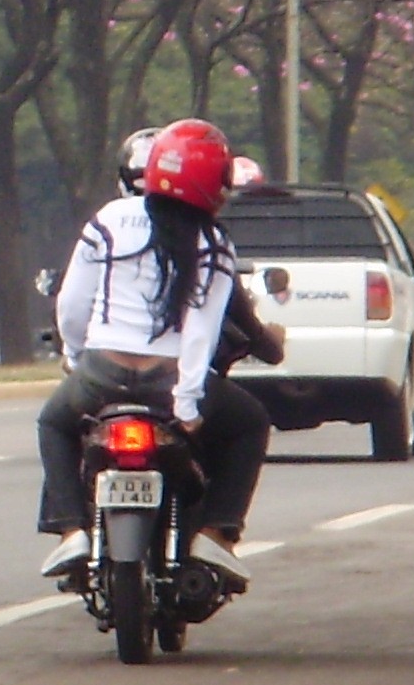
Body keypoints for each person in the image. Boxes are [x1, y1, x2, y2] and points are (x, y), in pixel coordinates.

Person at [36, 118, 273, 584]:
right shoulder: (214, 243)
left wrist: (76, 356)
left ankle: (69, 531)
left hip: (101, 375)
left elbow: (71, 305)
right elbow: (200, 335)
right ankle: (217, 533)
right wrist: (187, 403)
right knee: (250, 423)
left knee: (54, 422)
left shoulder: (106, 221)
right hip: (169, 384)